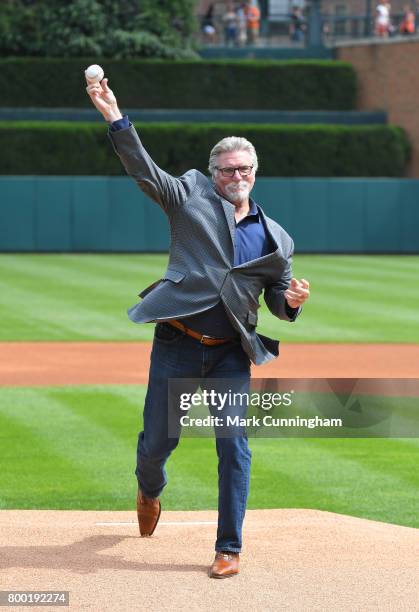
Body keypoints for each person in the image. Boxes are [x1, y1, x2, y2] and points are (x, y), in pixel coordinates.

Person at [85, 75, 310, 579]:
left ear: (256, 172)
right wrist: (114, 117)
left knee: (234, 444)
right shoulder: (189, 198)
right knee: (157, 445)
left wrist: (291, 301)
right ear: (214, 173)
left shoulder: (278, 238)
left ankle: (229, 547)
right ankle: (150, 488)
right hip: (177, 346)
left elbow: (276, 297)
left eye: (245, 168)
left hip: (231, 352)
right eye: (229, 169)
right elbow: (144, 172)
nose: (238, 175)